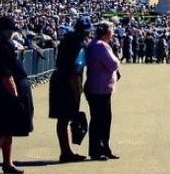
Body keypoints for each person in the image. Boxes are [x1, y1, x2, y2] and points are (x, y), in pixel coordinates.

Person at [0, 16, 33, 174]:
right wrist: (16, 95)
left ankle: (7, 163)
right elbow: (7, 75)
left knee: (7, 130)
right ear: (7, 32)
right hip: (4, 93)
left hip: (0, 91)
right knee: (1, 130)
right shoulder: (2, 47)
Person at [49, 16, 91, 163]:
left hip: (60, 79)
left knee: (63, 119)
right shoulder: (77, 44)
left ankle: (66, 151)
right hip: (66, 82)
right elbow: (74, 71)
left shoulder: (68, 40)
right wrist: (77, 92)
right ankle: (66, 152)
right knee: (64, 118)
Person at [84, 20, 121, 161]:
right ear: (107, 32)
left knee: (100, 119)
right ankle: (98, 149)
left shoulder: (94, 44)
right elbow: (113, 64)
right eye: (111, 31)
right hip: (100, 88)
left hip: (97, 86)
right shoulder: (101, 46)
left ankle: (102, 148)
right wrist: (117, 60)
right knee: (101, 120)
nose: (112, 34)